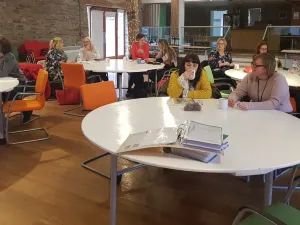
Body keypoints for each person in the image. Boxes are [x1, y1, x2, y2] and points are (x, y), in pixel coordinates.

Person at [228, 53, 292, 112]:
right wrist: (232, 99)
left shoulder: (278, 79)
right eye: (252, 64)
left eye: (256, 65)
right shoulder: (250, 76)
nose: (252, 67)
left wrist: (249, 105)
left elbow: (273, 104)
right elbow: (237, 93)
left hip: (280, 115)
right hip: (258, 113)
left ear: (266, 68)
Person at [0, 36, 32, 123]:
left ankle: (27, 110)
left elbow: (3, 74)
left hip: (19, 82)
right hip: (6, 83)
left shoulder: (9, 57)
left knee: (6, 95)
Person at [126, 33, 150, 98]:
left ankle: (143, 89)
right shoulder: (134, 44)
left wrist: (142, 53)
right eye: (141, 40)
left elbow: (146, 58)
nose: (143, 42)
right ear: (138, 40)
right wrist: (137, 52)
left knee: (144, 74)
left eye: (144, 40)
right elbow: (133, 57)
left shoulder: (147, 45)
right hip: (135, 64)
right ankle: (131, 89)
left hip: (144, 65)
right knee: (135, 73)